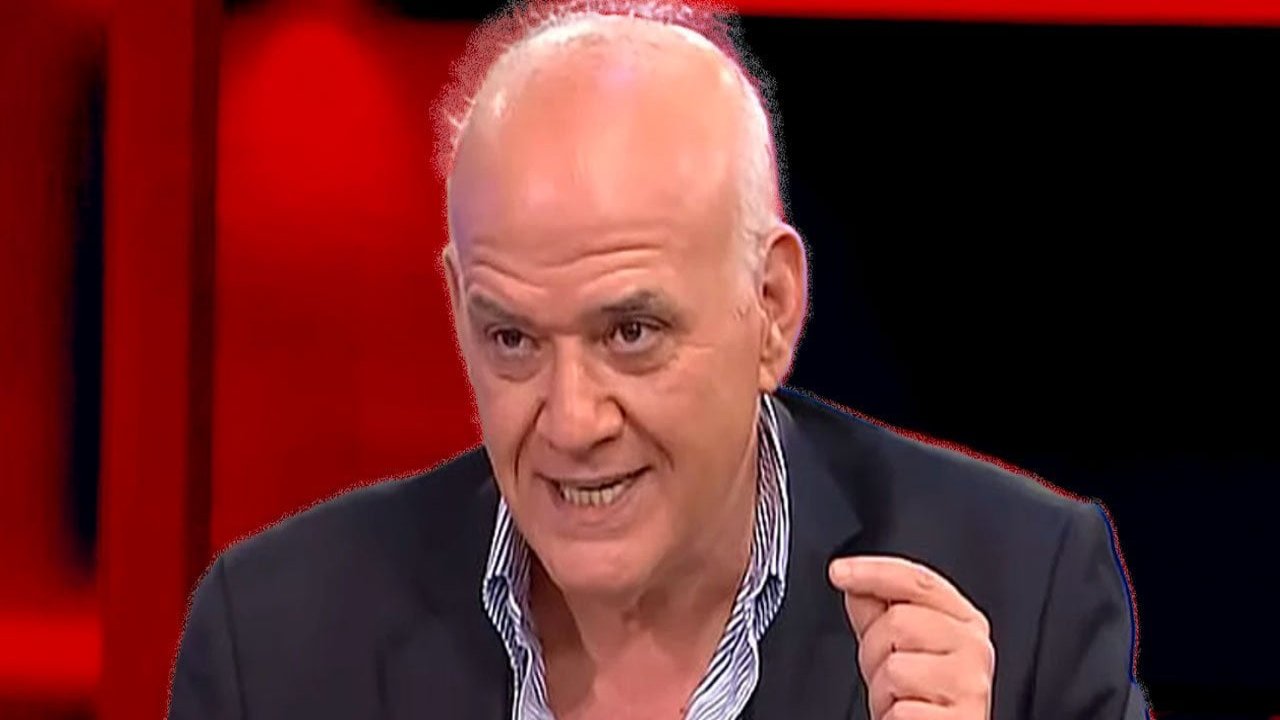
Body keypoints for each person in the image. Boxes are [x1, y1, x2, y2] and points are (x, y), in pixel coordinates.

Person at [169, 2, 1149, 718]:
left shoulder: (1022, 598)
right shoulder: (277, 642)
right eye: (512, 339)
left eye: (630, 334)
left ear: (771, 310)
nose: (571, 421)